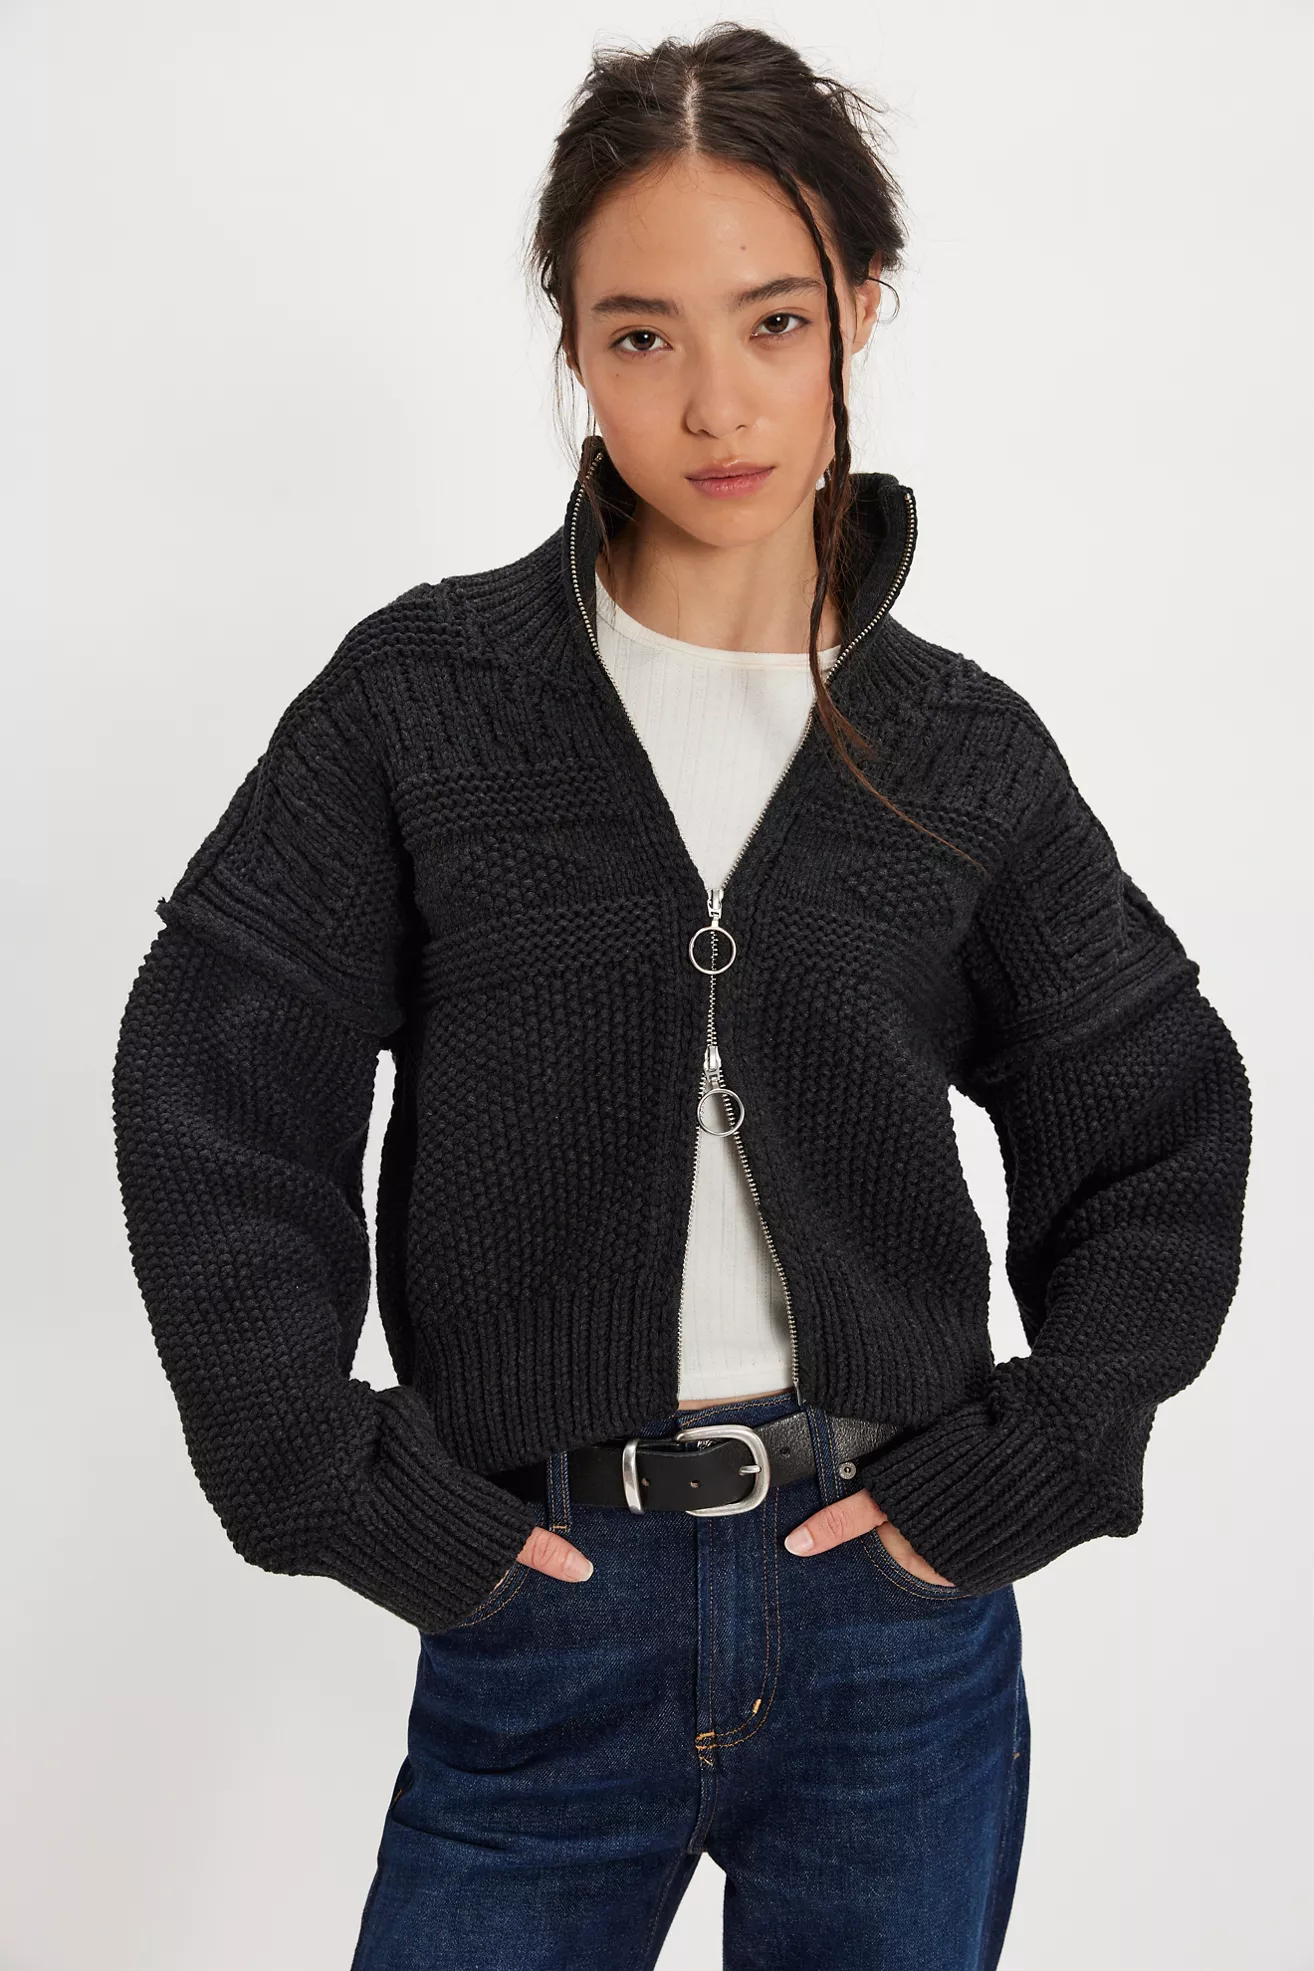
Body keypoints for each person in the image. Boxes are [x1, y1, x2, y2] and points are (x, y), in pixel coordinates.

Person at [111, 23, 1252, 1971]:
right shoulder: (423, 705)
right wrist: (326, 1475)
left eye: (775, 322)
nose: (717, 402)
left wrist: (1051, 1448)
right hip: (545, 1607)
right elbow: (217, 1079)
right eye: (641, 334)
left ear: (861, 307)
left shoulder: (957, 749)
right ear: (572, 343)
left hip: (894, 1626)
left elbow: (1153, 1112)